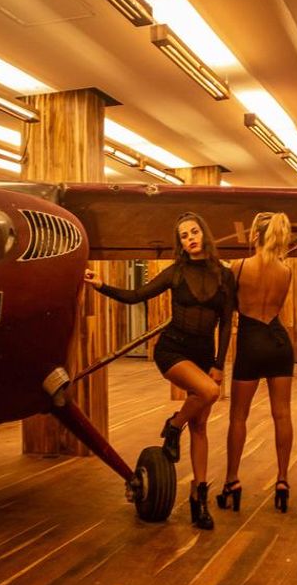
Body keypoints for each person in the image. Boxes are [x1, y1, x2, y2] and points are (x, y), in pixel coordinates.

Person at [84, 212, 235, 530]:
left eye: (194, 232)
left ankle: (199, 499)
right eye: (184, 236)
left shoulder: (224, 275)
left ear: (204, 234)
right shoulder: (176, 272)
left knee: (200, 427)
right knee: (209, 392)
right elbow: (136, 296)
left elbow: (225, 323)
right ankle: (173, 426)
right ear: (180, 243)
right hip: (172, 350)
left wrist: (219, 364)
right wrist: (101, 285)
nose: (190, 238)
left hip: (204, 354)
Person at [217, 212, 294, 514]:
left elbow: (231, 307)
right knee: (282, 415)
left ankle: (232, 481)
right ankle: (283, 481)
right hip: (279, 343)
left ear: (254, 236)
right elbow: (277, 306)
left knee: (238, 417)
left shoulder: (238, 267)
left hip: (251, 343)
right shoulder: (286, 271)